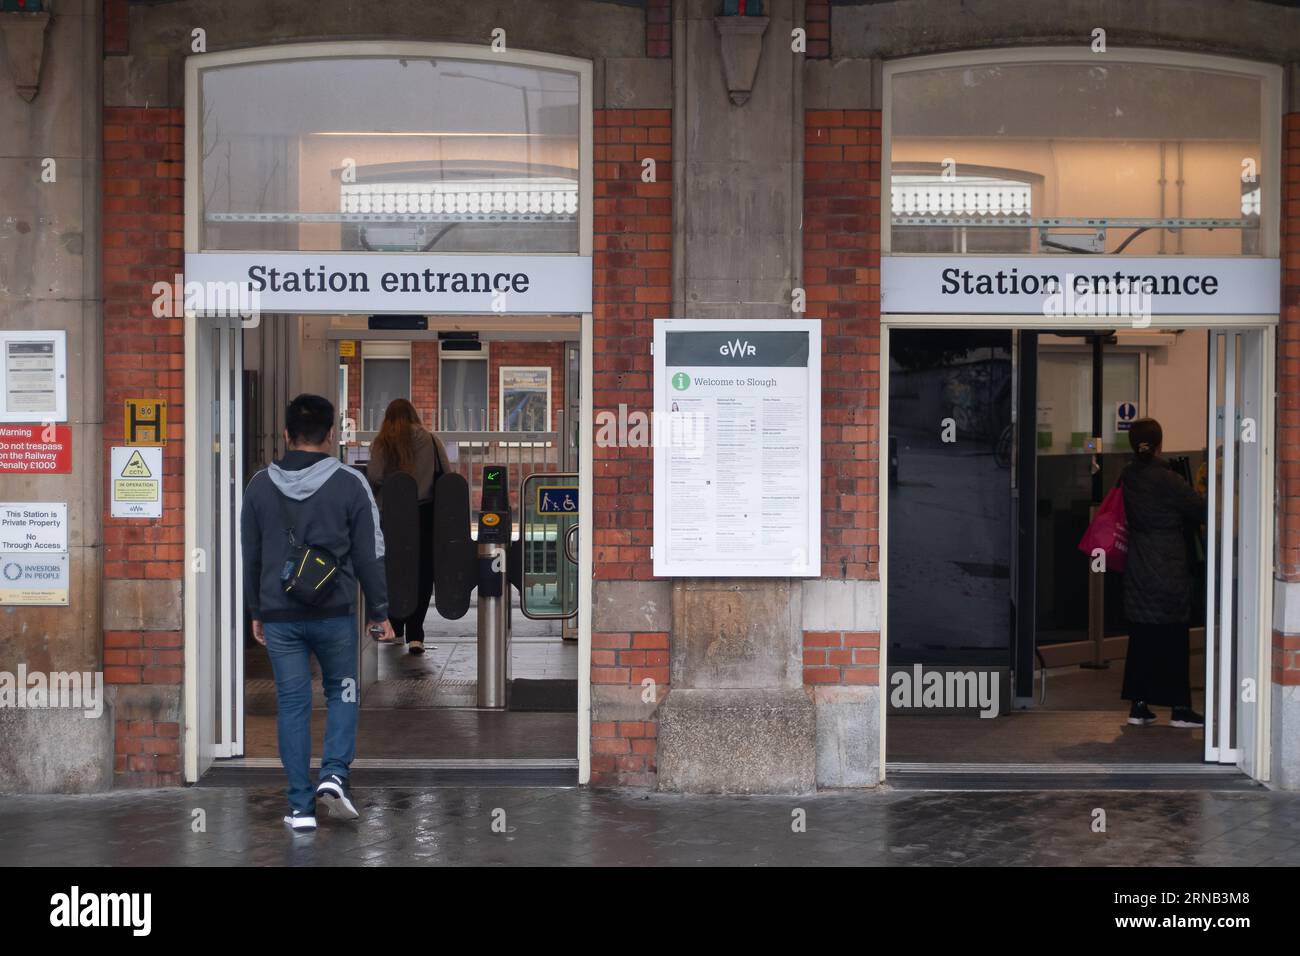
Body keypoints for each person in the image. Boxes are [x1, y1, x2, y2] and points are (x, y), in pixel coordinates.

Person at [241, 394, 394, 832]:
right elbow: (370, 553)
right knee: (343, 691)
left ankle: (300, 808)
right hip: (335, 612)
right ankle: (334, 775)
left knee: (292, 703)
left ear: (287, 435)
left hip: (279, 614)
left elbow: (250, 556)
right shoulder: (350, 483)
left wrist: (256, 610)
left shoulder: (258, 486)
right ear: (331, 436)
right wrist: (379, 611)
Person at [1118, 417, 1206, 729]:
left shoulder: (1128, 475)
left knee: (1141, 637)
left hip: (1139, 562)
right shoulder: (1168, 478)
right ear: (1159, 444)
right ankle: (1180, 708)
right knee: (1173, 637)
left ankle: (1139, 705)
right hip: (1167, 564)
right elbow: (1200, 507)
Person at [366, 398, 451, 654]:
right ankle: (416, 634)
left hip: (391, 515)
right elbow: (446, 473)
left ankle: (396, 624)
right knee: (423, 572)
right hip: (425, 514)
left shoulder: (383, 442)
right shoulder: (432, 440)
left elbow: (375, 475)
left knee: (393, 568)